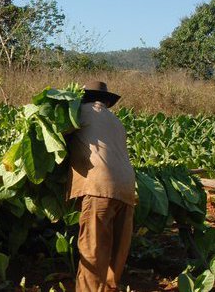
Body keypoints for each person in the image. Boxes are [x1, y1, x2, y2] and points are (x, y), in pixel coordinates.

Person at [66, 81, 136, 292]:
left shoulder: (78, 114)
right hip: (128, 187)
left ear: (83, 98)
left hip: (100, 187)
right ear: (106, 101)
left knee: (93, 251)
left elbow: (55, 140)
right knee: (116, 255)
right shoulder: (116, 120)